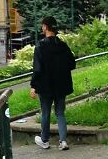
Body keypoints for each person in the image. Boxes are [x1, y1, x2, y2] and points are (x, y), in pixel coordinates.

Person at [29, 15, 76, 151]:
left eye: (42, 26)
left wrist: (33, 86)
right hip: (61, 85)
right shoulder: (63, 46)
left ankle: (45, 140)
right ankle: (63, 141)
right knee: (60, 113)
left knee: (45, 112)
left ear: (45, 27)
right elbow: (72, 64)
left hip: (45, 86)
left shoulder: (40, 46)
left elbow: (37, 69)